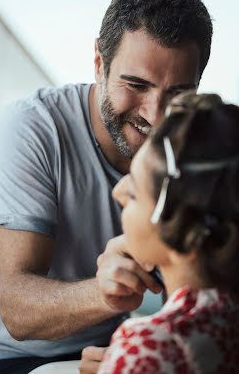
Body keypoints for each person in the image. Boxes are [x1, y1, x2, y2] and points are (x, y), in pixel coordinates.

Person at [0, 0, 212, 374]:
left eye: (178, 95)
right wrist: (105, 293)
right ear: (99, 63)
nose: (156, 115)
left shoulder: (192, 148)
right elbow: (16, 311)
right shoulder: (32, 128)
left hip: (105, 348)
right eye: (136, 85)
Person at [86, 92, 239, 373]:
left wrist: (125, 361)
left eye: (133, 193)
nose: (118, 192)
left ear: (183, 228)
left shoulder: (148, 346)